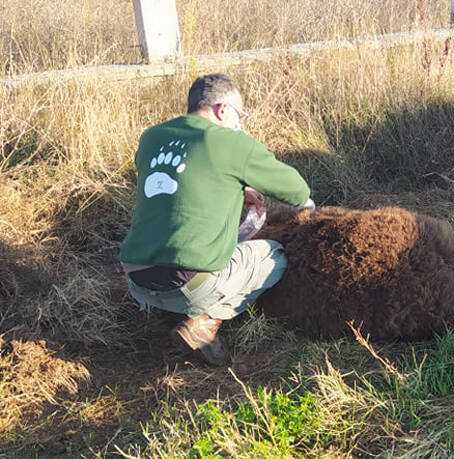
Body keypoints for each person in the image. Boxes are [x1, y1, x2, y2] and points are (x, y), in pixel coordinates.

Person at [120, 73, 313, 366]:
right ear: (223, 110)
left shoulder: (151, 138)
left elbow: (185, 185)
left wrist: (237, 188)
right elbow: (297, 190)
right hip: (188, 284)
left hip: (137, 280)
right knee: (275, 255)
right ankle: (205, 323)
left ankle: (171, 309)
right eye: (240, 114)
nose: (240, 123)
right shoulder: (230, 142)